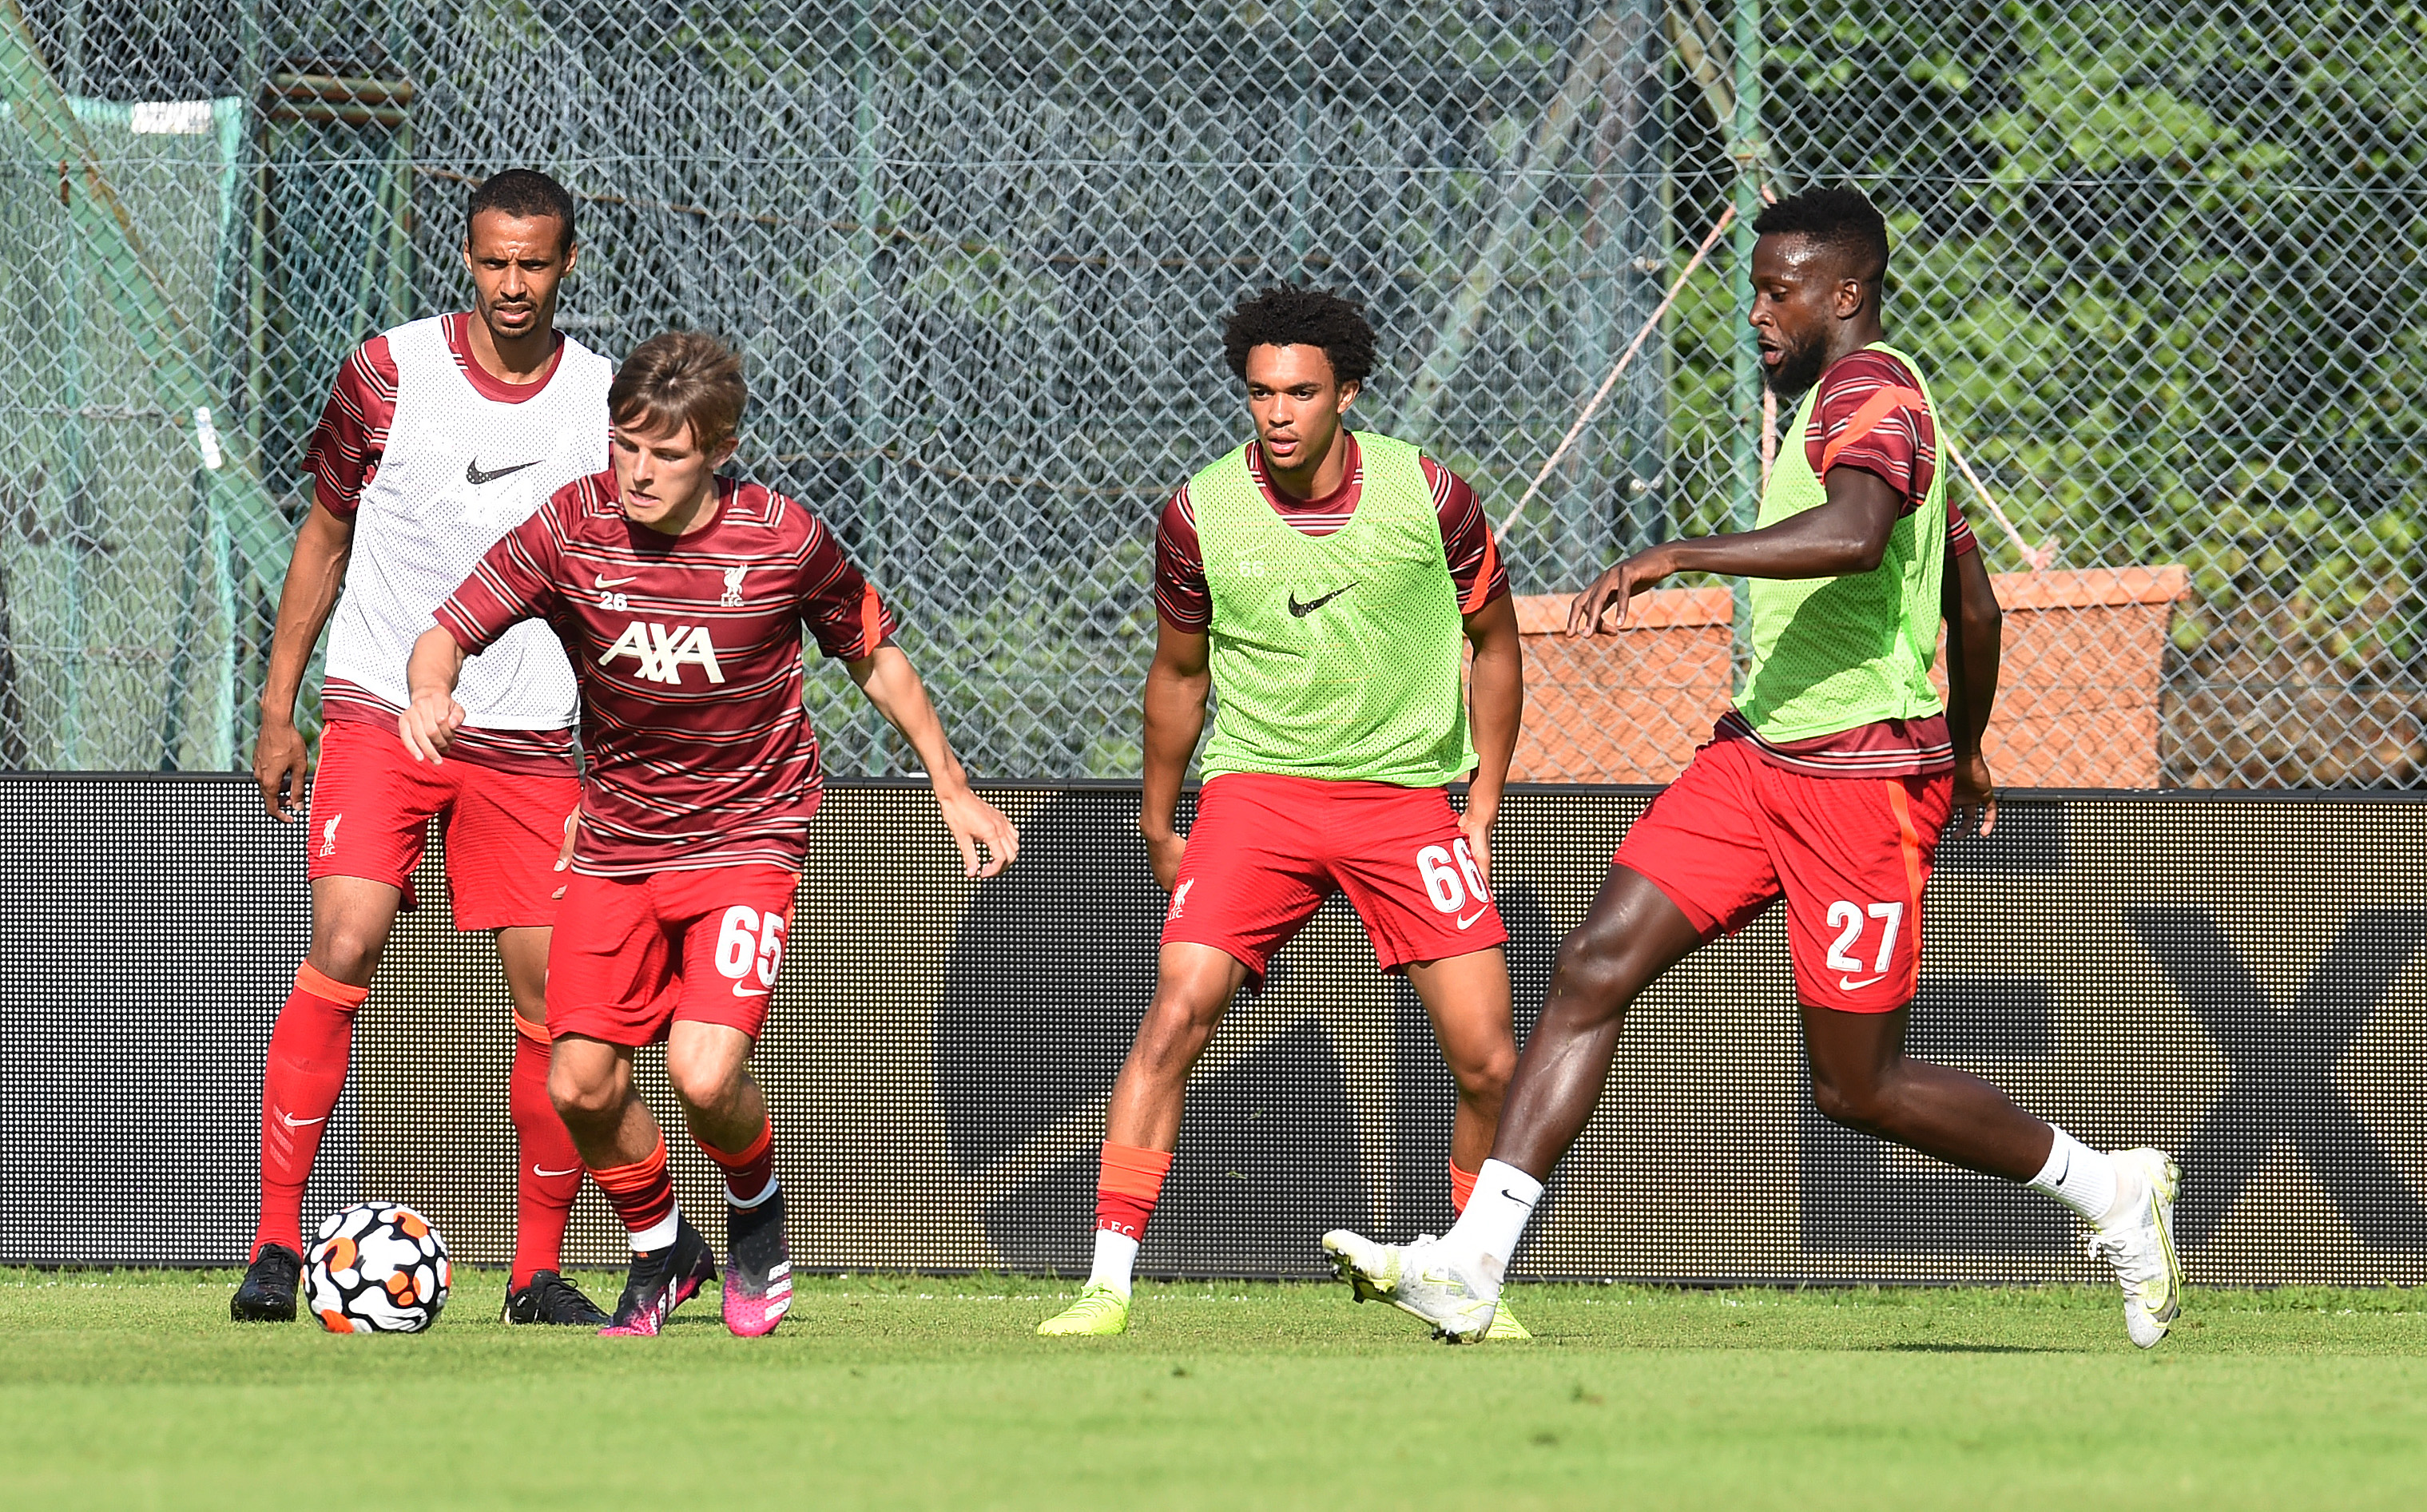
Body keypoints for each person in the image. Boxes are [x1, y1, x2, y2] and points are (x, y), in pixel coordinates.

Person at [1323, 187, 2184, 1347]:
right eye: (1752, 292)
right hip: (1756, 758)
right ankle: (1474, 1265)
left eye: (1778, 293)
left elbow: (1858, 537)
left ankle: (2110, 1190)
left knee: (1855, 1087)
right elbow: (1970, 605)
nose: (1757, 315)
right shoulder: (1851, 406)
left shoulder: (1872, 394)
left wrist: (1681, 552)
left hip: (1859, 788)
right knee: (1591, 967)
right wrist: (1971, 739)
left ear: (1846, 293)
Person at [403, 331, 1018, 1336]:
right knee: (579, 1086)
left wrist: (949, 786)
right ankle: (663, 1249)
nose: (639, 471)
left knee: (700, 1071)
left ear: (719, 450)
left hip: (747, 836)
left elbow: (873, 656)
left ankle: (755, 1213)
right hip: (615, 841)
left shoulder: (782, 538)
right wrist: (430, 691)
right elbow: (446, 630)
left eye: (667, 452)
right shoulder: (570, 526)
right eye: (625, 445)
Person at [1036, 287, 1527, 1339]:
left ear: (1346, 394)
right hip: (1256, 793)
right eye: (1260, 392)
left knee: (1489, 1060)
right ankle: (1105, 1284)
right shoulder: (1198, 512)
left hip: (1402, 798)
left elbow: (1495, 644)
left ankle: (1466, 1281)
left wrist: (1481, 802)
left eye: (1300, 391)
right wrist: (1159, 820)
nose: (1277, 412)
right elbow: (1178, 676)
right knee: (1175, 1012)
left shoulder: (1430, 494)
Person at [233, 169, 614, 1326]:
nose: (513, 283)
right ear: (466, 258)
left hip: (529, 734)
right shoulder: (388, 372)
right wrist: (278, 706)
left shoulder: (603, 399)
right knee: (344, 937)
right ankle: (274, 1246)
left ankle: (536, 1273)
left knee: (556, 996)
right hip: (378, 712)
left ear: (567, 264)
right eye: (495, 262)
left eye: (533, 263)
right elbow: (325, 533)